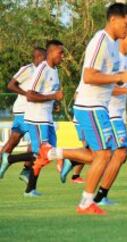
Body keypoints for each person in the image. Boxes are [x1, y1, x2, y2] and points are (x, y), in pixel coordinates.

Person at [73, 3, 127, 215]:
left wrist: (122, 80)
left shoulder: (115, 48)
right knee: (103, 155)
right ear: (113, 20)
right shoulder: (101, 40)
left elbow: (110, 80)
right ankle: (85, 204)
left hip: (99, 107)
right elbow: (89, 76)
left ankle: (53, 153)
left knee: (100, 155)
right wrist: (120, 78)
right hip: (90, 105)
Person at [23, 40, 65, 196]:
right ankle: (29, 188)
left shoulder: (54, 70)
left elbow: (45, 93)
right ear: (52, 52)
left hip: (47, 118)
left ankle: (30, 187)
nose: (62, 56)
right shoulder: (42, 69)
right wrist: (53, 96)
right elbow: (30, 95)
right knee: (43, 153)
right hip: (37, 118)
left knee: (47, 154)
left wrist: (53, 103)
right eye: (60, 52)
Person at [0, 47, 46, 183]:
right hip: (23, 110)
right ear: (37, 58)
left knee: (37, 142)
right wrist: (27, 94)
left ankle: (26, 169)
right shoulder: (28, 69)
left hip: (36, 112)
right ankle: (4, 165)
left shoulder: (43, 72)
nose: (45, 61)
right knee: (13, 141)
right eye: (44, 58)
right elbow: (11, 85)